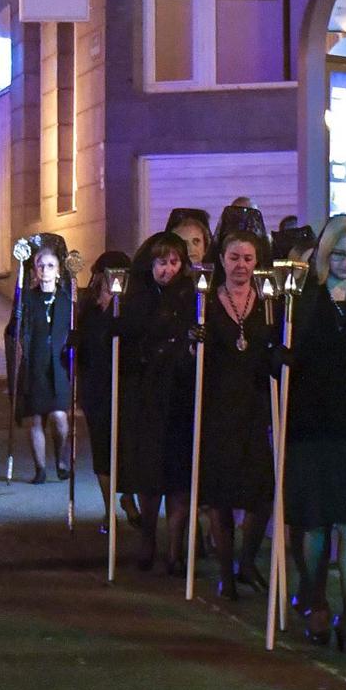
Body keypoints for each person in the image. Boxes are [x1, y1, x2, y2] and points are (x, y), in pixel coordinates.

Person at [286, 216, 346, 652]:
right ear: (325, 254)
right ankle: (316, 601)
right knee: (316, 522)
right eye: (339, 254)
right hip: (311, 421)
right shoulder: (304, 298)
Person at [197, 230, 277, 601]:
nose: (241, 265)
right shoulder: (207, 303)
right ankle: (226, 572)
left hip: (256, 406)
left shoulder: (269, 303)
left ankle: (247, 561)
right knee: (221, 494)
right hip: (218, 408)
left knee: (262, 492)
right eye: (234, 258)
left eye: (247, 258)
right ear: (223, 260)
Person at [117, 233, 197, 573]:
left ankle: (176, 549)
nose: (168, 269)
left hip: (180, 396)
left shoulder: (191, 298)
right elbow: (128, 343)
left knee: (178, 479)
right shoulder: (137, 300)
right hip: (149, 398)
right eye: (162, 263)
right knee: (150, 478)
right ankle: (148, 538)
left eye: (174, 262)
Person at [73, 250, 132, 528]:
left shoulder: (129, 306)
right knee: (103, 451)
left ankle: (129, 496)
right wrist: (71, 347)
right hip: (97, 390)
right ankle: (110, 509)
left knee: (128, 449)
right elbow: (82, 348)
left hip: (126, 389)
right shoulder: (89, 308)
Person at [5, 246, 72, 486]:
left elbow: (74, 330)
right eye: (41, 265)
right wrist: (17, 321)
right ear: (34, 270)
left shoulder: (66, 300)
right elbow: (14, 330)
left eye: (50, 266)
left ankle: (62, 458)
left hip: (59, 365)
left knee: (59, 416)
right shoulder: (28, 299)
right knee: (36, 419)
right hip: (35, 364)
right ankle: (40, 469)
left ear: (58, 271)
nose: (45, 270)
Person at [167, 208, 212, 273]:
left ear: (205, 247)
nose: (191, 248)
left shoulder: (213, 280)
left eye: (196, 241)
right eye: (184, 243)